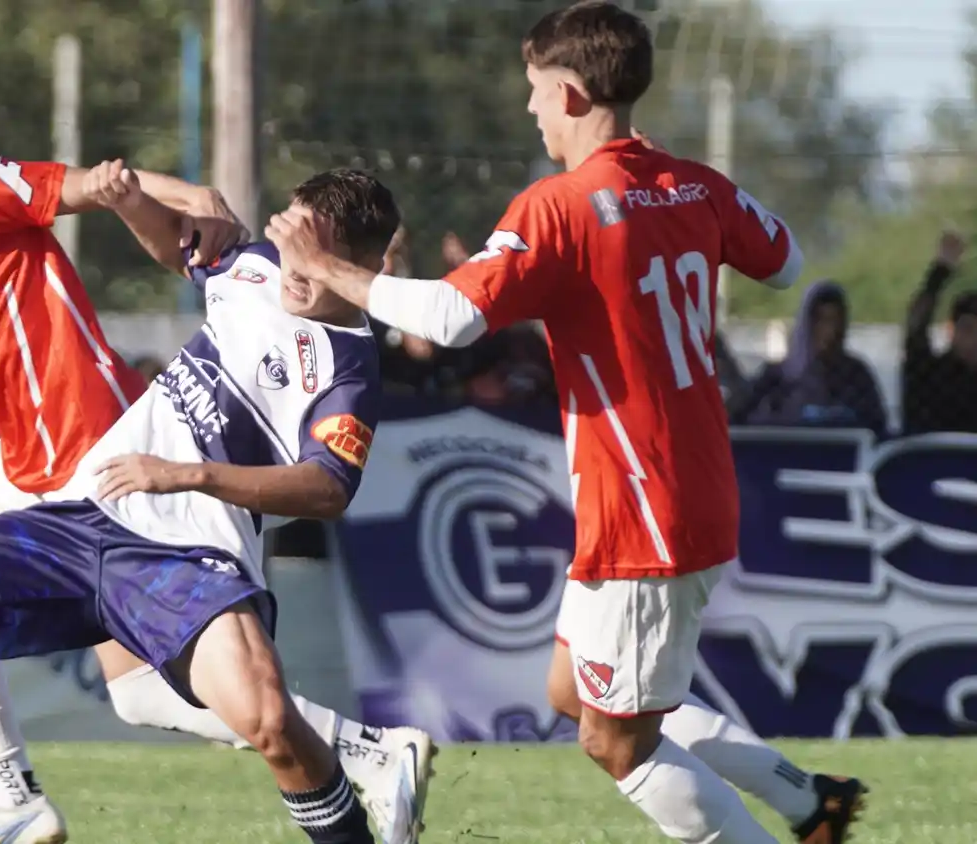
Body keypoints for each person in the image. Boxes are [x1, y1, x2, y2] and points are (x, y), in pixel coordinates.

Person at [266, 3, 865, 843]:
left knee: (614, 742)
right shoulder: (692, 183)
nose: (530, 109)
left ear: (576, 96)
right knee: (574, 694)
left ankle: (781, 827)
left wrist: (326, 267)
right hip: (683, 486)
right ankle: (809, 801)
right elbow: (788, 259)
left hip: (641, 506)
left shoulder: (562, 206)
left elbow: (449, 316)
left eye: (537, 91)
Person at [0, 60, 429, 844]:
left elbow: (81, 184)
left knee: (253, 713)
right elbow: (185, 252)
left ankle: (3, 799)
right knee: (91, 678)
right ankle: (366, 751)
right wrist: (157, 208)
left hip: (89, 449)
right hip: (57, 460)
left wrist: (165, 190)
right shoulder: (258, 270)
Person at [734, 280, 886, 434]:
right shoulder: (775, 378)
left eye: (835, 321)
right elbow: (740, 421)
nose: (829, 331)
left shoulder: (856, 376)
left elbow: (876, 428)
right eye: (820, 320)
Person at [903, 230, 977, 432]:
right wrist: (938, 274)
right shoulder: (929, 375)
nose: (974, 340)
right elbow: (915, 327)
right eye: (968, 329)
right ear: (951, 330)